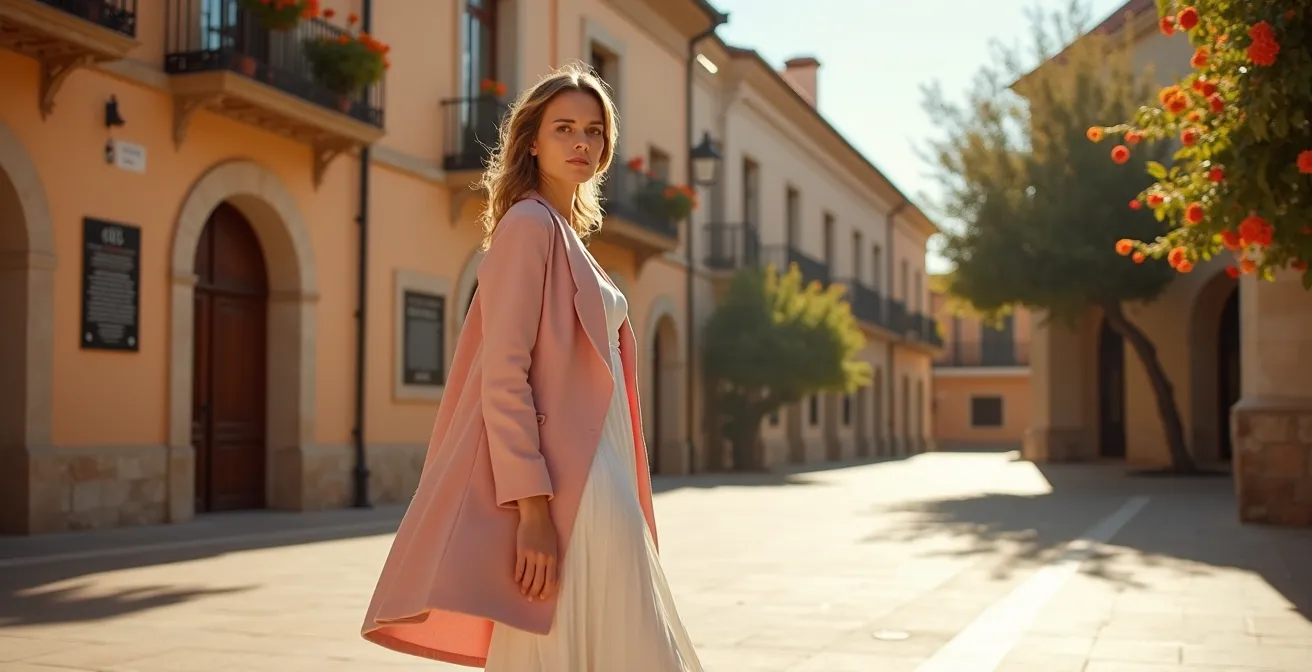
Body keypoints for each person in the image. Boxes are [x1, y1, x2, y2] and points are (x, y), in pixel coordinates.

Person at [359, 62, 703, 671]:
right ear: (531, 141)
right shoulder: (527, 225)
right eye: (563, 128)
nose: (581, 142)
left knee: (607, 640)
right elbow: (504, 374)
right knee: (602, 642)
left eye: (594, 131)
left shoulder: (565, 234)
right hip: (572, 482)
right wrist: (533, 508)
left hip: (601, 468)